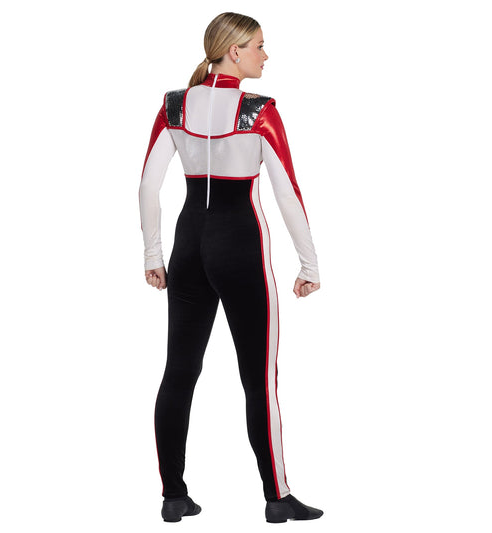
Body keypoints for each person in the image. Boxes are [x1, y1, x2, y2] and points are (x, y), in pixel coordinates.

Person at [139, 12, 324, 523]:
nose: (266, 55)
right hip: (240, 246)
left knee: (178, 372)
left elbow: (148, 186)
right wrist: (309, 262)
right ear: (234, 51)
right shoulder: (258, 110)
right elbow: (287, 193)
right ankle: (277, 497)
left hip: (188, 247)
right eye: (259, 45)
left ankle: (173, 495)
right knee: (258, 378)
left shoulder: (175, 105)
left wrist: (153, 255)